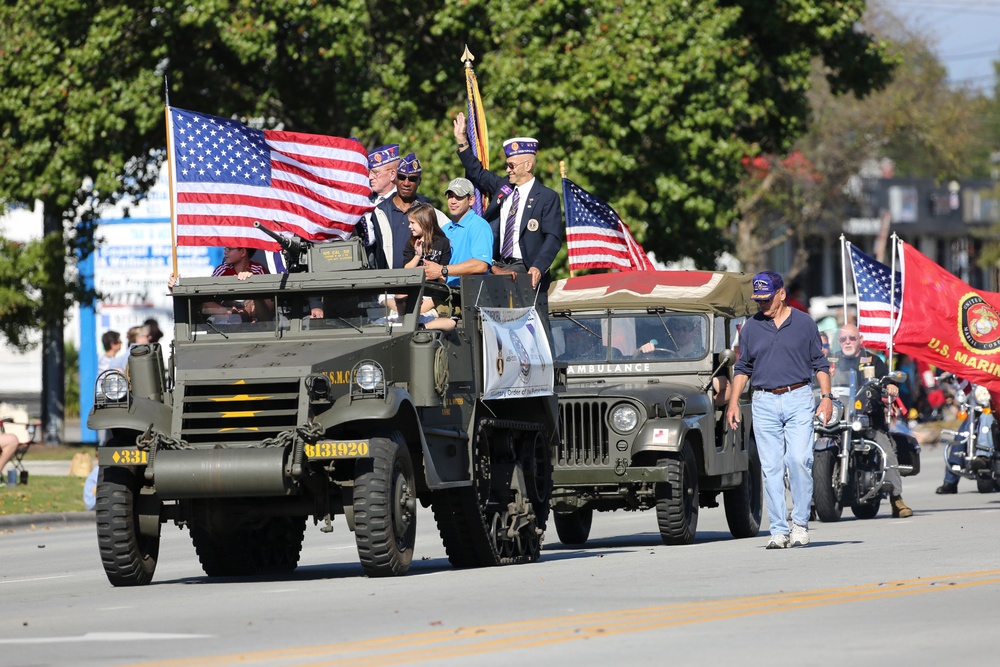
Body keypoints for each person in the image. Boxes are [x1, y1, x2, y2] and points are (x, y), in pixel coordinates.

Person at [726, 271, 833, 549]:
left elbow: (819, 363)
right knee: (771, 468)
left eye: (767, 298)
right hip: (762, 402)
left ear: (782, 294)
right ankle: (778, 530)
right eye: (758, 299)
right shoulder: (750, 327)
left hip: (798, 397)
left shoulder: (804, 323)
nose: (762, 304)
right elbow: (742, 368)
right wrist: (734, 402)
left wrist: (826, 397)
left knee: (799, 460)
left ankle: (799, 523)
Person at [453, 113, 563, 302]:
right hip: (498, 267)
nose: (507, 170)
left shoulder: (546, 197)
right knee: (490, 319)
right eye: (507, 165)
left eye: (511, 165)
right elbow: (477, 172)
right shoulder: (503, 187)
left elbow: (553, 238)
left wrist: (539, 266)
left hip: (527, 269)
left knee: (534, 325)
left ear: (527, 165)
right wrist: (462, 140)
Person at [833, 324, 913, 517]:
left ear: (860, 339)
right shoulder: (831, 361)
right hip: (837, 421)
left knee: (886, 449)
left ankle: (896, 498)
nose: (848, 342)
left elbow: (886, 379)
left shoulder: (873, 361)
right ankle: (811, 501)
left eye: (852, 338)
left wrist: (891, 385)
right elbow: (816, 378)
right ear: (838, 341)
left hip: (867, 419)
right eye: (843, 339)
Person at [371, 153, 448, 270]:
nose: (406, 183)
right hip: (387, 282)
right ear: (395, 178)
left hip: (421, 282)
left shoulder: (429, 211)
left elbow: (451, 238)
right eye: (402, 177)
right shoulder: (379, 211)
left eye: (412, 179)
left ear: (419, 181)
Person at [356, 143, 400, 263]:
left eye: (375, 173)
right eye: (370, 172)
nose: (370, 177)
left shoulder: (404, 203)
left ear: (392, 174)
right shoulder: (366, 201)